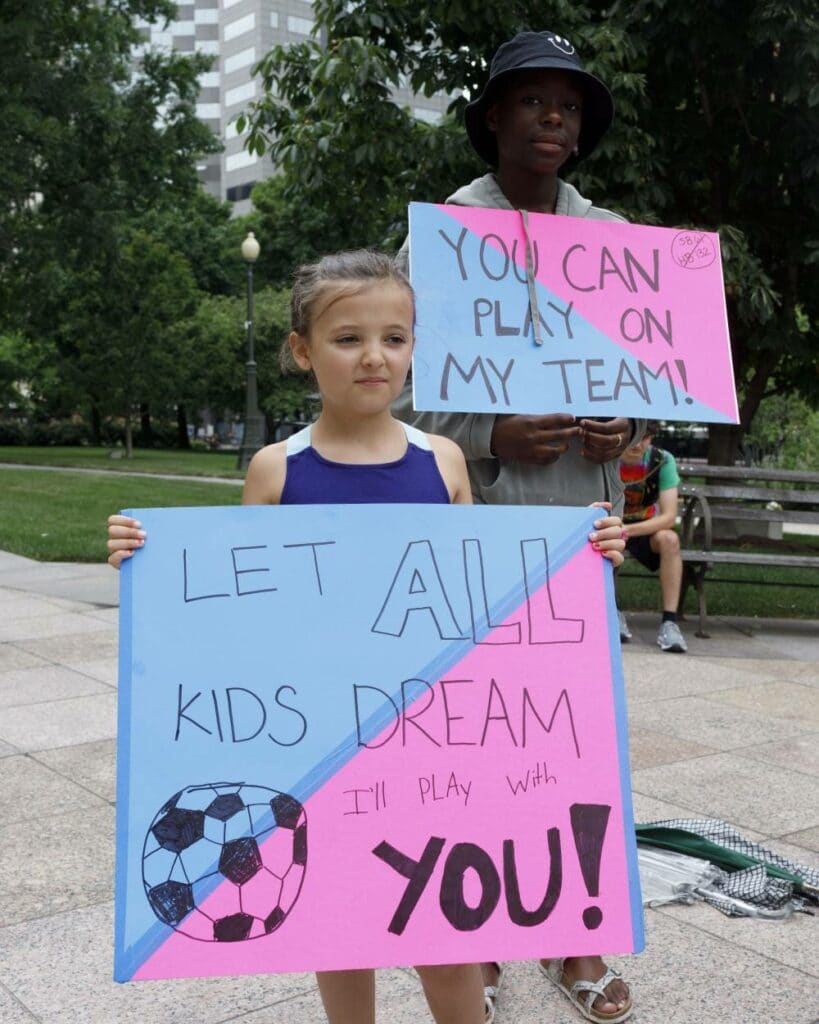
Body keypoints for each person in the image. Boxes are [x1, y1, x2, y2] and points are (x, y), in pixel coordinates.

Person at [106, 249, 627, 1024]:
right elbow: (238, 606)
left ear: (416, 346)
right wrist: (146, 565)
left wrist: (581, 563)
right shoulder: (275, 470)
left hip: (429, 742)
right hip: (320, 746)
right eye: (348, 338)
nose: (374, 356)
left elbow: (481, 593)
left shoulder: (442, 461)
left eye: (395, 336)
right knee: (336, 926)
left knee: (446, 932)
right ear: (302, 351)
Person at [393, 28, 639, 1024]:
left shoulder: (611, 238)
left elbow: (642, 376)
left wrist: (626, 420)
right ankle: (482, 935)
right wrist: (489, 431)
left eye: (568, 105)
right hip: (479, 525)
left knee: (578, 746)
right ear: (493, 115)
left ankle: (576, 935)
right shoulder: (443, 233)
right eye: (532, 100)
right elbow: (397, 384)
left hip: (582, 531)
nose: (552, 118)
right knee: (486, 745)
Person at [618, 422, 688, 653]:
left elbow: (668, 518)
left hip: (643, 527)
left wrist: (627, 531)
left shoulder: (661, 460)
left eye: (645, 437)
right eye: (633, 436)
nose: (638, 444)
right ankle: (610, 611)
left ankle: (670, 621)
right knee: (602, 542)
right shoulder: (606, 456)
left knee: (670, 540)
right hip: (609, 523)